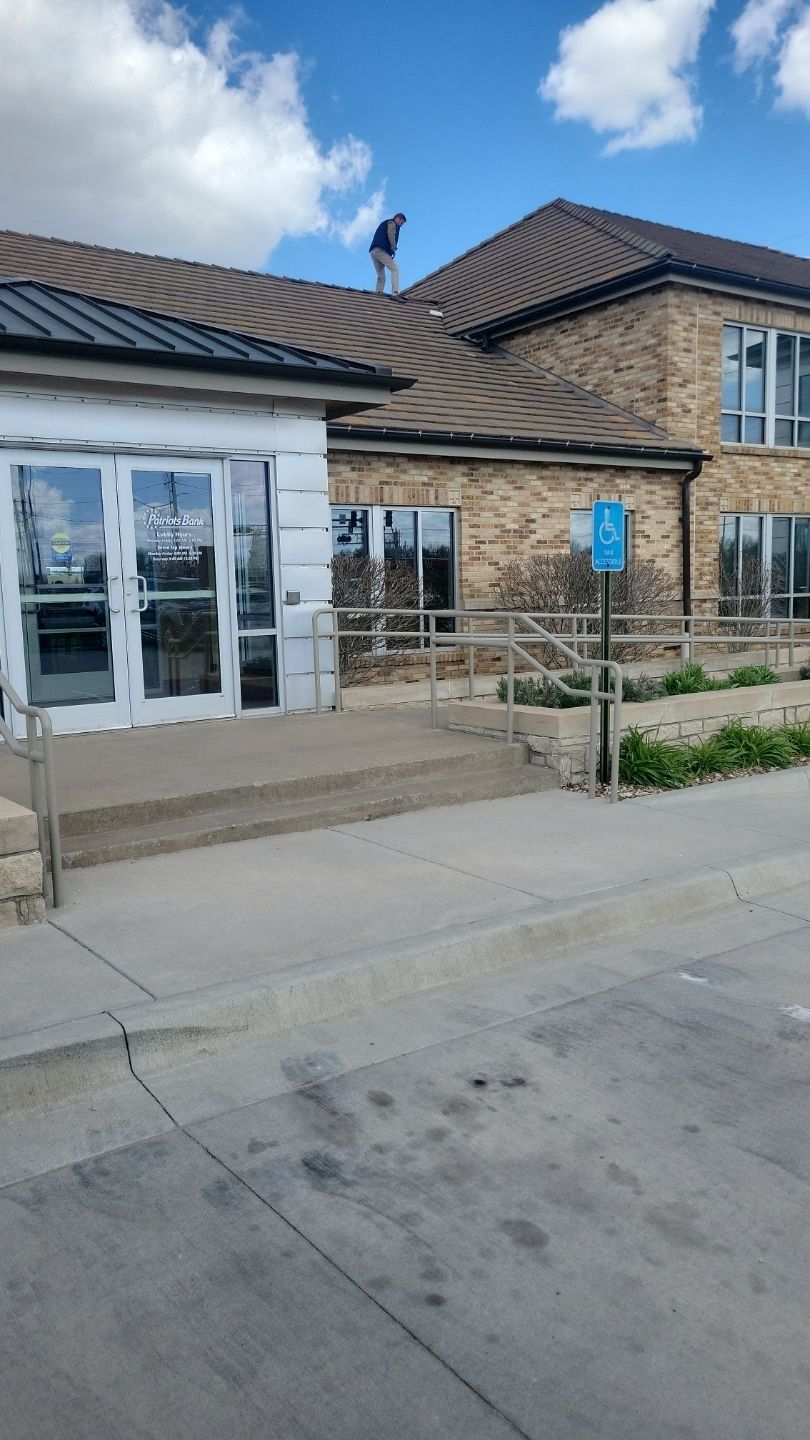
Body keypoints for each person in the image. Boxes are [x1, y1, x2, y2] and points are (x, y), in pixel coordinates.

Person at [369, 213, 407, 297]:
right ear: (397, 218)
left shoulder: (386, 223)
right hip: (380, 250)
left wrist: (390, 252)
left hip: (373, 251)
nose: (401, 226)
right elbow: (391, 234)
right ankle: (395, 293)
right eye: (401, 223)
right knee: (395, 269)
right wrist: (393, 247)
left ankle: (378, 293)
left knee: (381, 275)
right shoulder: (392, 223)